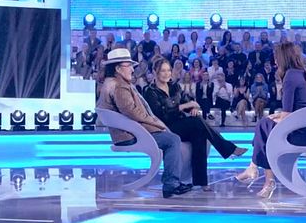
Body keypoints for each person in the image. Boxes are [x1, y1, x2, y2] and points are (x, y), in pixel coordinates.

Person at [98, 49, 192, 198]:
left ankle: (175, 180)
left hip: (129, 132)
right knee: (172, 140)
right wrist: (156, 123)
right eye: (128, 66)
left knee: (171, 136)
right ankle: (171, 184)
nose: (132, 69)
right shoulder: (120, 87)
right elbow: (132, 113)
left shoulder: (112, 83)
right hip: (130, 135)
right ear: (118, 69)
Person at [144, 59, 247, 189]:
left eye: (168, 70)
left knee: (200, 133)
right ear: (155, 72)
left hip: (181, 123)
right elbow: (161, 113)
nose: (166, 74)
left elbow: (187, 100)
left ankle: (201, 182)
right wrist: (185, 106)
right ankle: (228, 148)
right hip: (165, 127)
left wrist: (192, 108)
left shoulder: (174, 86)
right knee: (197, 122)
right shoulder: (150, 91)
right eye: (162, 71)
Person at [236, 42, 306, 198]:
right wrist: (277, 116)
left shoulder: (290, 76)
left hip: (297, 133)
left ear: (283, 58)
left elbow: (287, 114)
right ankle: (257, 172)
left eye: (276, 57)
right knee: (266, 126)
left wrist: (279, 116)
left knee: (263, 127)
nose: (275, 61)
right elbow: (301, 107)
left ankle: (258, 172)